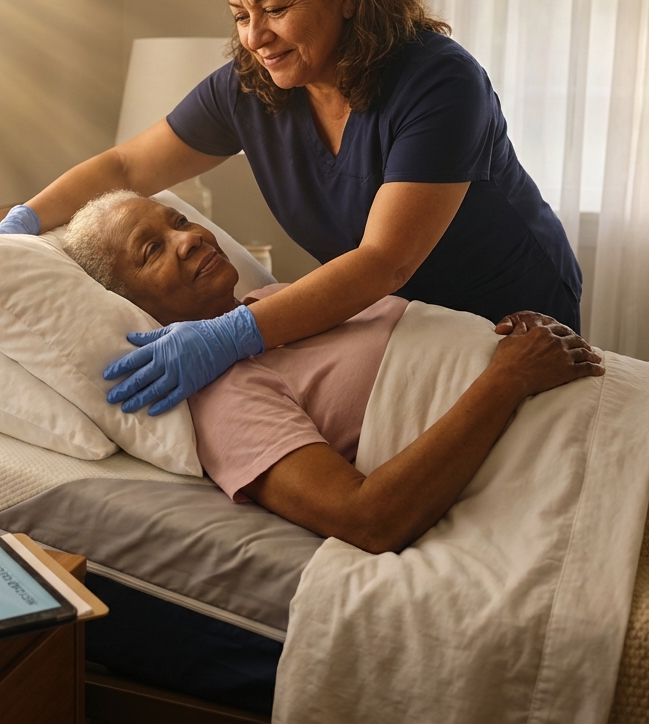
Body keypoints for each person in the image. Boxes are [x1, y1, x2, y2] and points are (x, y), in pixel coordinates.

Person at [0, 0, 583, 419]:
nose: (254, 36)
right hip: (398, 325)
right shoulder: (249, 87)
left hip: (509, 311)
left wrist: (229, 334)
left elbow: (384, 260)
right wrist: (21, 223)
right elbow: (126, 168)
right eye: (240, 16)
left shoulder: (438, 82)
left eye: (275, 9)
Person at [61, 191, 603, 553]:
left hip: (585, 400)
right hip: (566, 457)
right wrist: (507, 378)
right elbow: (366, 518)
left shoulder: (278, 301)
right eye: (152, 249)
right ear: (128, 302)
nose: (190, 237)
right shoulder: (224, 395)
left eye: (178, 220)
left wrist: (506, 339)